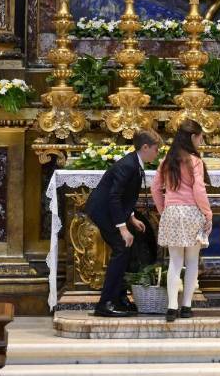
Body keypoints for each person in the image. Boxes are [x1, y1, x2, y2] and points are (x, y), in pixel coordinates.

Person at [84, 129, 162, 317]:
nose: (157, 153)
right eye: (156, 149)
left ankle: (119, 299)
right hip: (103, 211)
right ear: (145, 147)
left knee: (126, 250)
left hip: (111, 211)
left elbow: (125, 196)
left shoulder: (135, 162)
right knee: (121, 247)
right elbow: (114, 197)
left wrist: (132, 216)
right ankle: (106, 303)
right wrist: (123, 227)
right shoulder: (128, 165)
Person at [151, 119, 213, 322]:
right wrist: (207, 213)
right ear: (193, 137)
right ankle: (186, 306)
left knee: (175, 262)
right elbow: (198, 189)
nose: (201, 140)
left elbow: (154, 188)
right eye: (200, 136)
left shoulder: (166, 160)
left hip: (172, 212)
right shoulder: (194, 161)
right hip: (192, 212)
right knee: (192, 261)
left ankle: (171, 307)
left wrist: (163, 209)